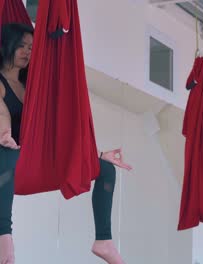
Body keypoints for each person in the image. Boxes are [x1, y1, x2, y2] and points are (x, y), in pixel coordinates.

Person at [0, 23, 132, 264]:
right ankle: (3, 235)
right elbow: (2, 114)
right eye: (21, 46)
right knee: (4, 154)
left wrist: (98, 153)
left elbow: (56, 130)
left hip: (35, 158)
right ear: (6, 44)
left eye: (31, 47)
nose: (27, 52)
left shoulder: (32, 84)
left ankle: (104, 240)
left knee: (105, 170)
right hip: (10, 160)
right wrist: (4, 133)